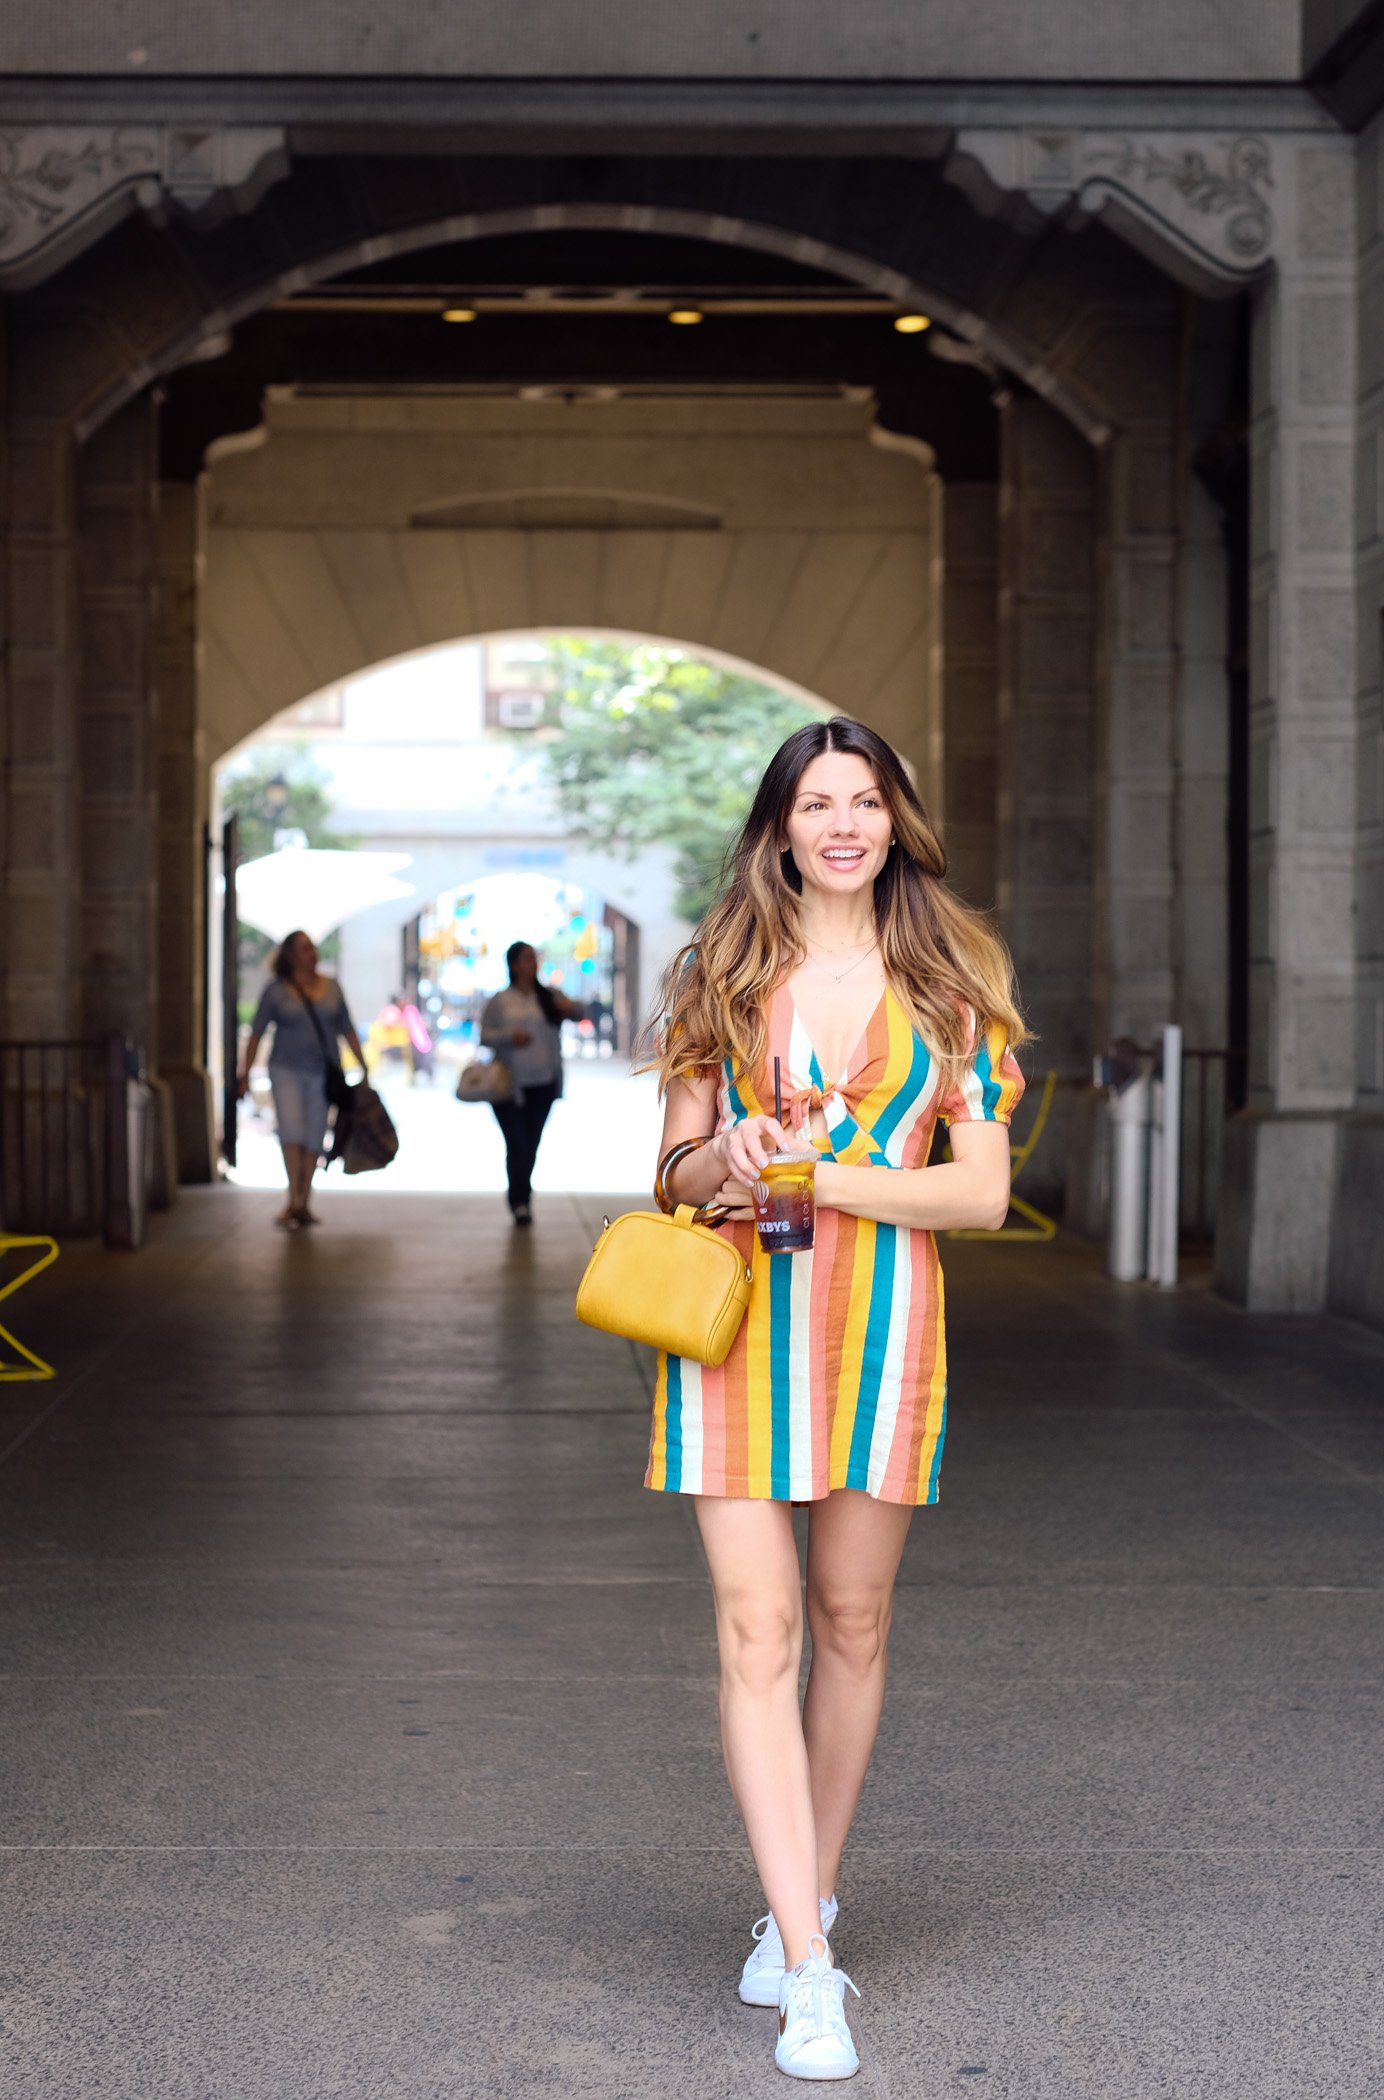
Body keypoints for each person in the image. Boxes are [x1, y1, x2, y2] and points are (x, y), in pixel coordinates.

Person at [647, 717, 1027, 2081]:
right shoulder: (721, 978)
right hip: (738, 1339)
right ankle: (811, 1970)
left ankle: (799, 1897)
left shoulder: (952, 985)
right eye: (819, 802)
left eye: (867, 801)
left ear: (896, 823)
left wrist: (822, 1179)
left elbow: (978, 1191)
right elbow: (672, 1176)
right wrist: (733, 1159)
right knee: (759, 1633)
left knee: (851, 1622)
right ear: (782, 827)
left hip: (884, 1339)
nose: (845, 823)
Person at [238, 931, 366, 1228]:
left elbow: (347, 1028)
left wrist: (363, 1065)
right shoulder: (277, 990)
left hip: (324, 1072)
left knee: (314, 1135)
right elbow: (256, 1032)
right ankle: (294, 1198)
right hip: (286, 1069)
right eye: (305, 948)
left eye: (312, 947)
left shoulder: (332, 987)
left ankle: (304, 1199)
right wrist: (245, 1072)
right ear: (291, 955)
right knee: (291, 1130)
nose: (313, 953)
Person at [479, 942, 586, 1225]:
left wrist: (568, 1007)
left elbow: (579, 1012)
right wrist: (509, 1036)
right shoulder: (500, 1000)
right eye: (526, 959)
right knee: (517, 1143)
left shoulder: (548, 996)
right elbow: (484, 1035)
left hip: (544, 1083)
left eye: (533, 958)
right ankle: (519, 1201)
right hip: (509, 1087)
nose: (532, 963)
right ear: (513, 964)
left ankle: (522, 1197)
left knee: (531, 1142)